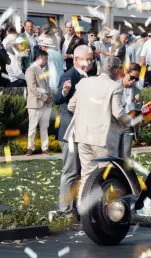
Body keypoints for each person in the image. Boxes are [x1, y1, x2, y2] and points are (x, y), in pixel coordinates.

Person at [64, 56, 137, 202]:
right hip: (103, 138)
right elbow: (118, 113)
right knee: (107, 174)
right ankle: (107, 210)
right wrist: (131, 121)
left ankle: (84, 211)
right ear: (116, 70)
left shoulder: (84, 82)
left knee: (87, 175)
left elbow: (71, 106)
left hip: (83, 135)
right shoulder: (114, 86)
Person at [54, 45, 93, 214]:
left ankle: (75, 207)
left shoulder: (89, 75)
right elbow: (57, 99)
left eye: (91, 59)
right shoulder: (68, 75)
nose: (90, 62)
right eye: (87, 59)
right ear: (76, 59)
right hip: (70, 131)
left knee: (80, 171)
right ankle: (65, 210)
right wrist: (64, 91)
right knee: (70, 171)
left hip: (82, 130)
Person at [25, 50, 53, 156]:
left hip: (46, 104)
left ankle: (45, 148)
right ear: (39, 58)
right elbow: (32, 88)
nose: (46, 61)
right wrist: (45, 98)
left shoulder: (43, 70)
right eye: (45, 59)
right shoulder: (31, 69)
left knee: (44, 127)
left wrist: (50, 97)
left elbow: (46, 87)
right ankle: (30, 148)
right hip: (35, 104)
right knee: (32, 127)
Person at [118, 63, 142, 159]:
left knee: (125, 156)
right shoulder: (114, 85)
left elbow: (138, 108)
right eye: (132, 77)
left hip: (128, 125)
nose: (133, 81)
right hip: (115, 124)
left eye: (136, 79)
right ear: (126, 73)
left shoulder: (137, 91)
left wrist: (140, 110)